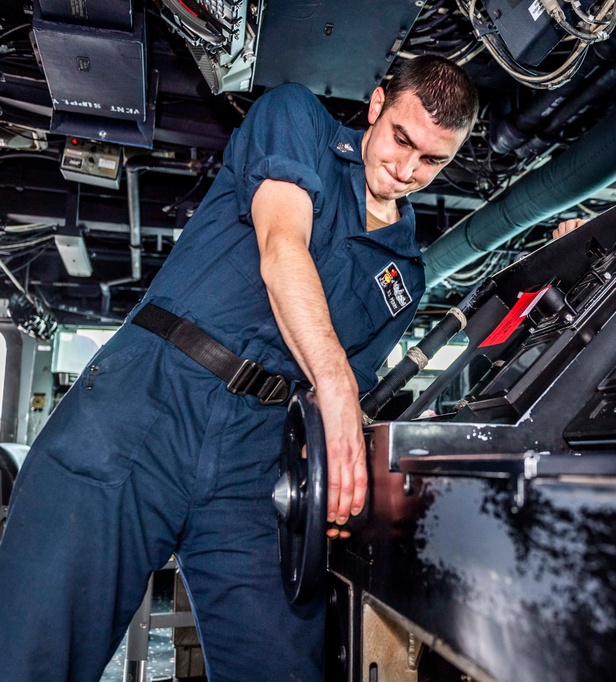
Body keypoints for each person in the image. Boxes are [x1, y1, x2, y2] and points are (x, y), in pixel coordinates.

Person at [0, 56, 478, 681]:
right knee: (34, 647)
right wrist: (336, 387)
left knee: (280, 664)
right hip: (152, 395)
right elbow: (283, 248)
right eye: (402, 140)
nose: (406, 170)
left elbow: (335, 392)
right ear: (376, 105)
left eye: (433, 161)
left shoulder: (404, 276)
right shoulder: (296, 118)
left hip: (258, 456)